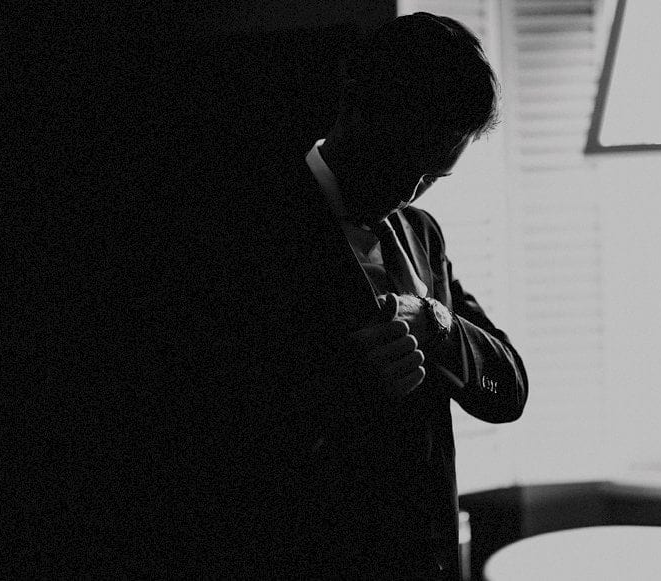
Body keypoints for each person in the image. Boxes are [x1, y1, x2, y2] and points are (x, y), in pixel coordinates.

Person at [226, 12, 528, 580]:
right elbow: (211, 429)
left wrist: (440, 325)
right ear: (357, 109)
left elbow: (509, 391)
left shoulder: (424, 236)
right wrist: (344, 385)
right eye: (403, 161)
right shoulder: (250, 229)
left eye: (433, 176)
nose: (410, 191)